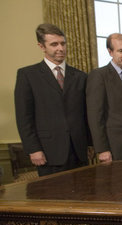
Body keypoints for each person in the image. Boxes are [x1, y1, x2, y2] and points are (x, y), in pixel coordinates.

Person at [15, 23, 91, 176]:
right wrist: (33, 149)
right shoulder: (28, 75)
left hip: (79, 152)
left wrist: (90, 145)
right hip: (48, 153)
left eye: (63, 43)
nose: (60, 48)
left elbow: (86, 114)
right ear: (41, 46)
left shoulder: (80, 76)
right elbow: (24, 117)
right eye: (54, 44)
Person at [87, 33, 122, 162]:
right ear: (110, 52)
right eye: (121, 51)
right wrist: (102, 149)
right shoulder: (99, 76)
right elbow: (95, 116)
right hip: (114, 149)